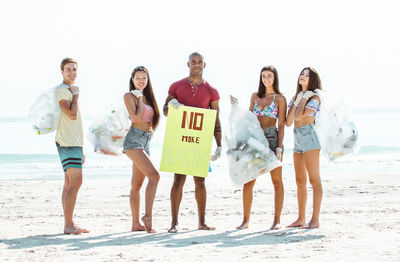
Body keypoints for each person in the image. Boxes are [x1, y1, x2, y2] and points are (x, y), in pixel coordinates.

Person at [163, 52, 222, 233]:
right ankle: (174, 223)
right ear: (187, 64)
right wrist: (171, 105)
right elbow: (165, 110)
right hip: (181, 139)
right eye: (193, 61)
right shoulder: (176, 86)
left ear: (204, 65)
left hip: (200, 140)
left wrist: (219, 145)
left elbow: (215, 119)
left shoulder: (211, 90)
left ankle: (202, 222)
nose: (196, 64)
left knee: (200, 181)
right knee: (178, 180)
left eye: (199, 62)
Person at [236, 66, 287, 230]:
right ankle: (245, 221)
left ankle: (277, 220)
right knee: (248, 182)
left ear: (275, 78)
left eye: (269, 76)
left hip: (272, 139)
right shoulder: (255, 96)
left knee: (277, 181)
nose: (266, 79)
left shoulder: (279, 98)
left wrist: (279, 147)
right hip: (255, 140)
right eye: (264, 76)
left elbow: (281, 124)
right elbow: (248, 119)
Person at [123, 66, 160, 233]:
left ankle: (135, 223)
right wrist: (138, 98)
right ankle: (147, 217)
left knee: (136, 185)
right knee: (154, 176)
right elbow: (136, 117)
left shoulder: (149, 98)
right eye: (137, 78)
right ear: (132, 80)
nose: (141, 81)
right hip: (133, 140)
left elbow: (152, 119)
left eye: (144, 78)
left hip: (146, 141)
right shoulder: (129, 96)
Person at [286, 67, 323, 229]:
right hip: (297, 138)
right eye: (302, 73)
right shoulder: (296, 96)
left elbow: (300, 115)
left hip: (310, 137)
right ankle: (301, 218)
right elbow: (288, 122)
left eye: (307, 75)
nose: (303, 76)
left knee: (314, 180)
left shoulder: (314, 97)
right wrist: (298, 99)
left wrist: (303, 98)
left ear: (312, 79)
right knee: (300, 180)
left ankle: (314, 220)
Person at [55, 57, 88, 234]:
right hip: (68, 142)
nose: (72, 72)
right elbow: (71, 114)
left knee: (69, 183)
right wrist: (76, 94)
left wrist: (81, 147)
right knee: (76, 182)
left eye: (74, 69)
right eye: (68, 69)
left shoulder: (68, 89)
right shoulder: (62, 90)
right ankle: (68, 225)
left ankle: (69, 223)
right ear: (61, 71)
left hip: (72, 142)